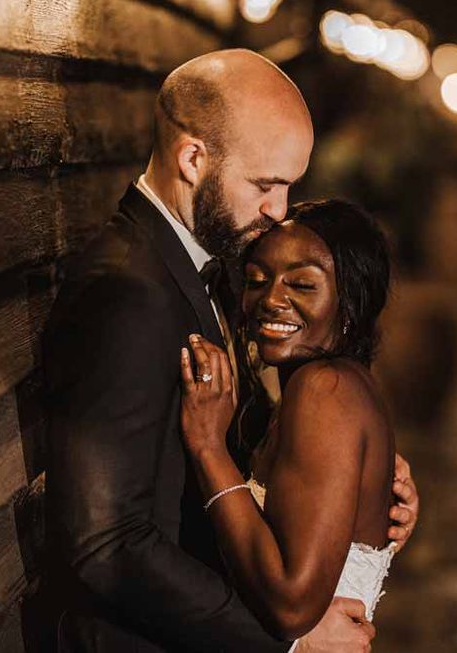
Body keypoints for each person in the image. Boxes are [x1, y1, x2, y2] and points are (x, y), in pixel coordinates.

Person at [43, 49, 419, 652]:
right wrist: (283, 641)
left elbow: (222, 443)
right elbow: (106, 543)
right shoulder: (125, 293)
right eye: (264, 185)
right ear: (193, 158)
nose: (277, 211)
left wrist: (353, 492)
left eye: (288, 186)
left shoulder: (208, 269)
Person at [180, 199, 406, 644]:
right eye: (257, 280)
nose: (271, 300)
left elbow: (291, 605)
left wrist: (208, 446)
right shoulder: (327, 388)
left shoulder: (324, 390)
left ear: (351, 301)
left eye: (302, 284)